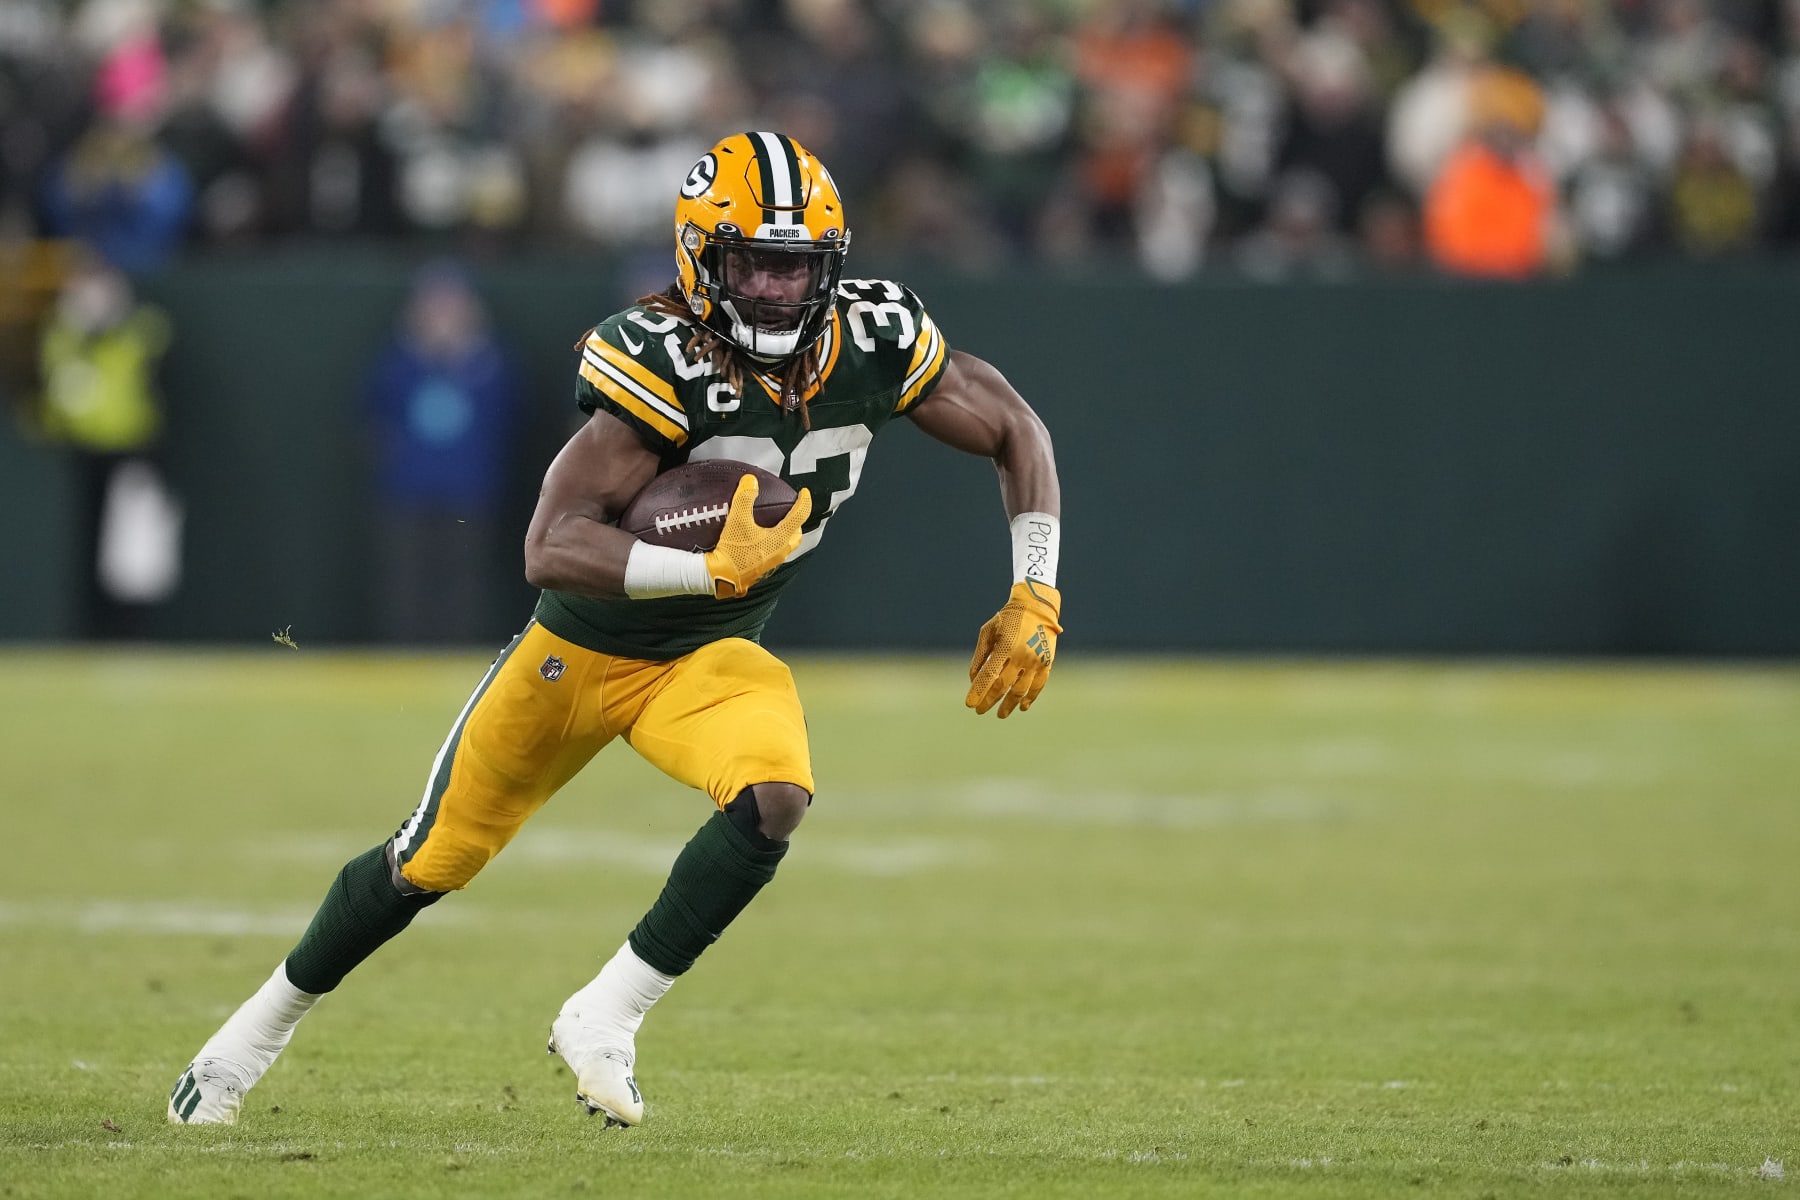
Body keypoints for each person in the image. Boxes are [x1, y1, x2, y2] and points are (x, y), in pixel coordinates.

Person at [167, 131, 1063, 1129]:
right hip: (578, 654)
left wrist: (1036, 590)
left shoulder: (877, 338)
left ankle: (607, 1015)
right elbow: (550, 545)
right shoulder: (658, 357)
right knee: (430, 861)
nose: (773, 290)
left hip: (711, 658)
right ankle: (248, 1039)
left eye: (795, 266)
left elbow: (1017, 428)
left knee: (776, 796)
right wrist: (699, 566)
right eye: (752, 265)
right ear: (700, 259)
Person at [363, 259, 522, 644]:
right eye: (434, 305)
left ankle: (457, 651)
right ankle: (406, 652)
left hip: (469, 493)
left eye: (451, 305)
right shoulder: (397, 363)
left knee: (464, 580)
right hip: (408, 493)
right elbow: (372, 420)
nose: (442, 316)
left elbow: (511, 417)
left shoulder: (492, 363)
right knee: (406, 580)